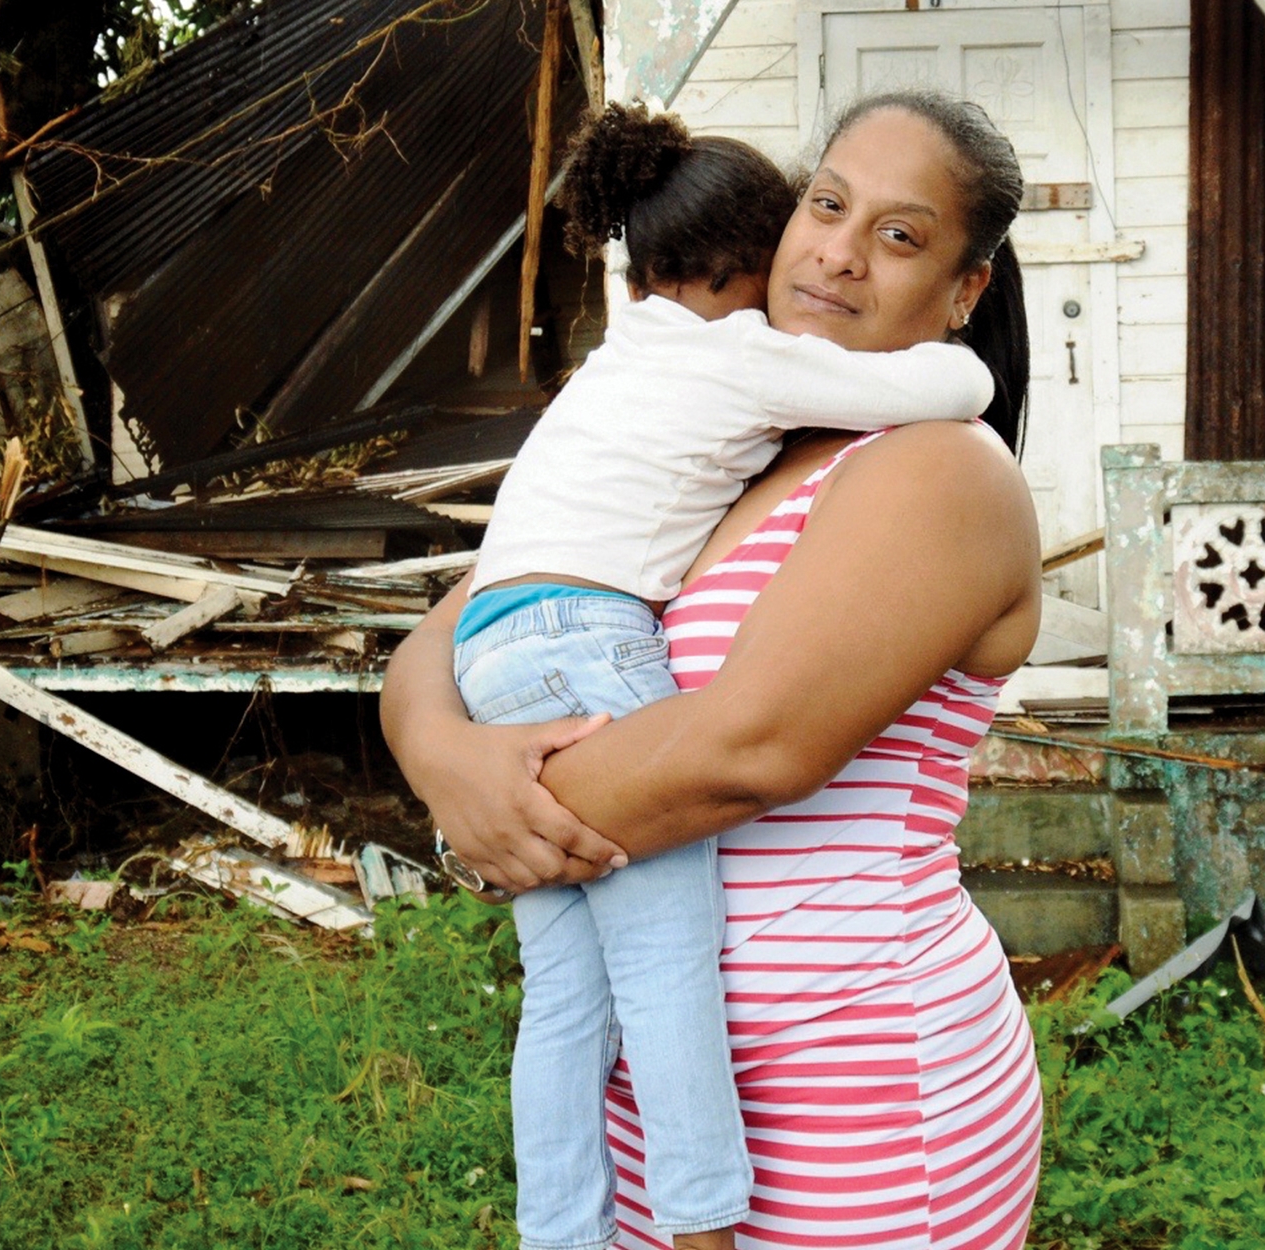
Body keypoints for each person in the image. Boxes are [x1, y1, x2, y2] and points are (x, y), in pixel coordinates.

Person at [384, 88, 1044, 1249]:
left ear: (963, 291)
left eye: (898, 236)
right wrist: (447, 771)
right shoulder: (720, 430)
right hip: (661, 1089)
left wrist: (496, 817)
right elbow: (452, 631)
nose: (838, 254)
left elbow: (745, 749)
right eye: (826, 205)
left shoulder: (940, 469)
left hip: (849, 1091)